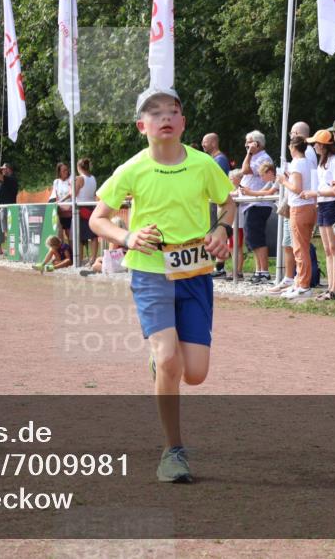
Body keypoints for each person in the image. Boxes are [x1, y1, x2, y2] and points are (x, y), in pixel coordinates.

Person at [90, 86, 234, 484]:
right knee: (170, 359)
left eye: (172, 111)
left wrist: (222, 229)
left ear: (183, 122)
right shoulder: (132, 169)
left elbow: (228, 204)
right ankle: (173, 451)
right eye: (155, 113)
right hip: (150, 272)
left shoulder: (204, 165)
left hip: (195, 274)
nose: (165, 117)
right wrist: (127, 237)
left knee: (195, 373)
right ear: (142, 126)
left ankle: (161, 363)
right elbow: (97, 219)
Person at [303, 130, 335, 299]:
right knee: (327, 249)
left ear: (323, 145)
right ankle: (331, 286)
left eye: (316, 144)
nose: (314, 146)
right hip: (322, 204)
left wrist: (316, 193)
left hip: (333, 205)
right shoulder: (322, 162)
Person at [275, 136, 317, 298]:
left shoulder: (297, 163)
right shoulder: (309, 162)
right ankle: (299, 282)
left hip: (299, 207)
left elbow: (297, 188)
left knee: (299, 248)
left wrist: (284, 181)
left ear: (292, 148)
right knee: (302, 247)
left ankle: (303, 284)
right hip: (309, 206)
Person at [239, 131, 274, 283]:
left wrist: (249, 153)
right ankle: (258, 270)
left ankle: (264, 271)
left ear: (257, 144)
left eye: (249, 142)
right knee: (252, 238)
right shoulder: (255, 157)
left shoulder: (263, 158)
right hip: (251, 203)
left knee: (257, 237)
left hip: (259, 203)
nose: (246, 145)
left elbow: (245, 170)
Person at [203, 133, 231, 276]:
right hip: (213, 201)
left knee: (216, 232)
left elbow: (215, 183)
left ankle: (219, 267)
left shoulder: (219, 160)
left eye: (205, 142)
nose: (203, 144)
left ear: (214, 143)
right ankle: (216, 265)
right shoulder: (214, 159)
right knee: (211, 232)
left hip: (217, 201)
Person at [76, 158, 99, 266]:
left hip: (81, 208)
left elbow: (74, 193)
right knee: (93, 235)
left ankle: (80, 259)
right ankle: (93, 258)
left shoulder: (80, 178)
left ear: (78, 167)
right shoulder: (93, 178)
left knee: (80, 236)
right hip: (91, 207)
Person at [51, 162, 75, 244]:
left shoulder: (71, 179)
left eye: (67, 170)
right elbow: (54, 195)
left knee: (69, 233)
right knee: (59, 233)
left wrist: (61, 201)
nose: (66, 172)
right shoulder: (56, 182)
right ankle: (63, 250)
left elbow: (71, 193)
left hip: (69, 211)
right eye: (64, 170)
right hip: (59, 211)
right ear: (59, 172)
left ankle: (72, 250)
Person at [0, 162, 19, 252]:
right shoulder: (9, 179)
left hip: (7, 207)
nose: (3, 170)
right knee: (7, 230)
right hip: (7, 207)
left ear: (8, 169)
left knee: (8, 230)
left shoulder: (10, 178)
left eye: (4, 169)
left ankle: (12, 249)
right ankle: (11, 249)